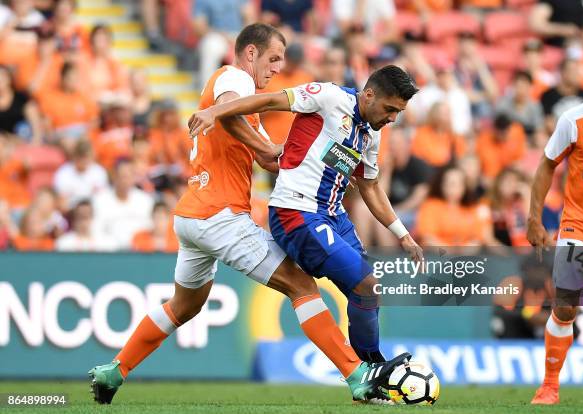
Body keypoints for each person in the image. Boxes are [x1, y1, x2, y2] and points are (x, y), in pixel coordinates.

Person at [89, 24, 409, 406]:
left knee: (183, 306)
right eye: (273, 58)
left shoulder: (247, 102)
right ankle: (357, 375)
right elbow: (225, 114)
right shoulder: (234, 77)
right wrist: (251, 134)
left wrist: (309, 158)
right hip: (220, 215)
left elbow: (265, 156)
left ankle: (115, 370)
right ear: (250, 52)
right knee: (302, 286)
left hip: (192, 217)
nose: (276, 68)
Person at [188, 64, 424, 365]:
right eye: (390, 109)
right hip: (297, 212)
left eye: (398, 113)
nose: (392, 118)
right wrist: (214, 112)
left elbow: (371, 187)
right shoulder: (328, 97)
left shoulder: (370, 134)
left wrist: (403, 235)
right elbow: (270, 100)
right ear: (368, 95)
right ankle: (376, 369)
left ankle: (368, 374)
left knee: (367, 294)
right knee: (366, 284)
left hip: (334, 217)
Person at [528, 58, 583, 405]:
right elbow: (547, 163)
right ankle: (549, 385)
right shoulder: (575, 119)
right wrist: (534, 217)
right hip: (580, 228)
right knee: (565, 307)